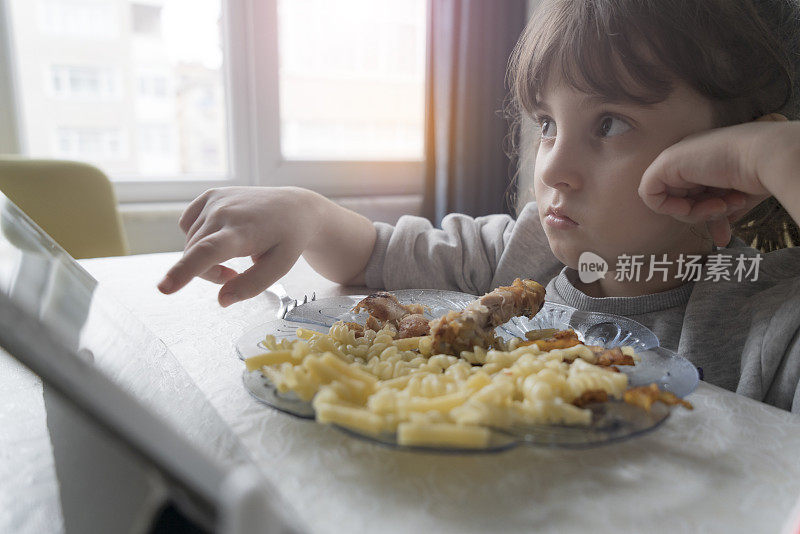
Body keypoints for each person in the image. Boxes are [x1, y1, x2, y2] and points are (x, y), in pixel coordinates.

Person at [158, 0, 800, 412]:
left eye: (609, 125)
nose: (551, 167)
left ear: (729, 158)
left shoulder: (769, 321)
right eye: (547, 123)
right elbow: (378, 254)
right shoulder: (519, 251)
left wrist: (782, 156)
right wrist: (306, 212)